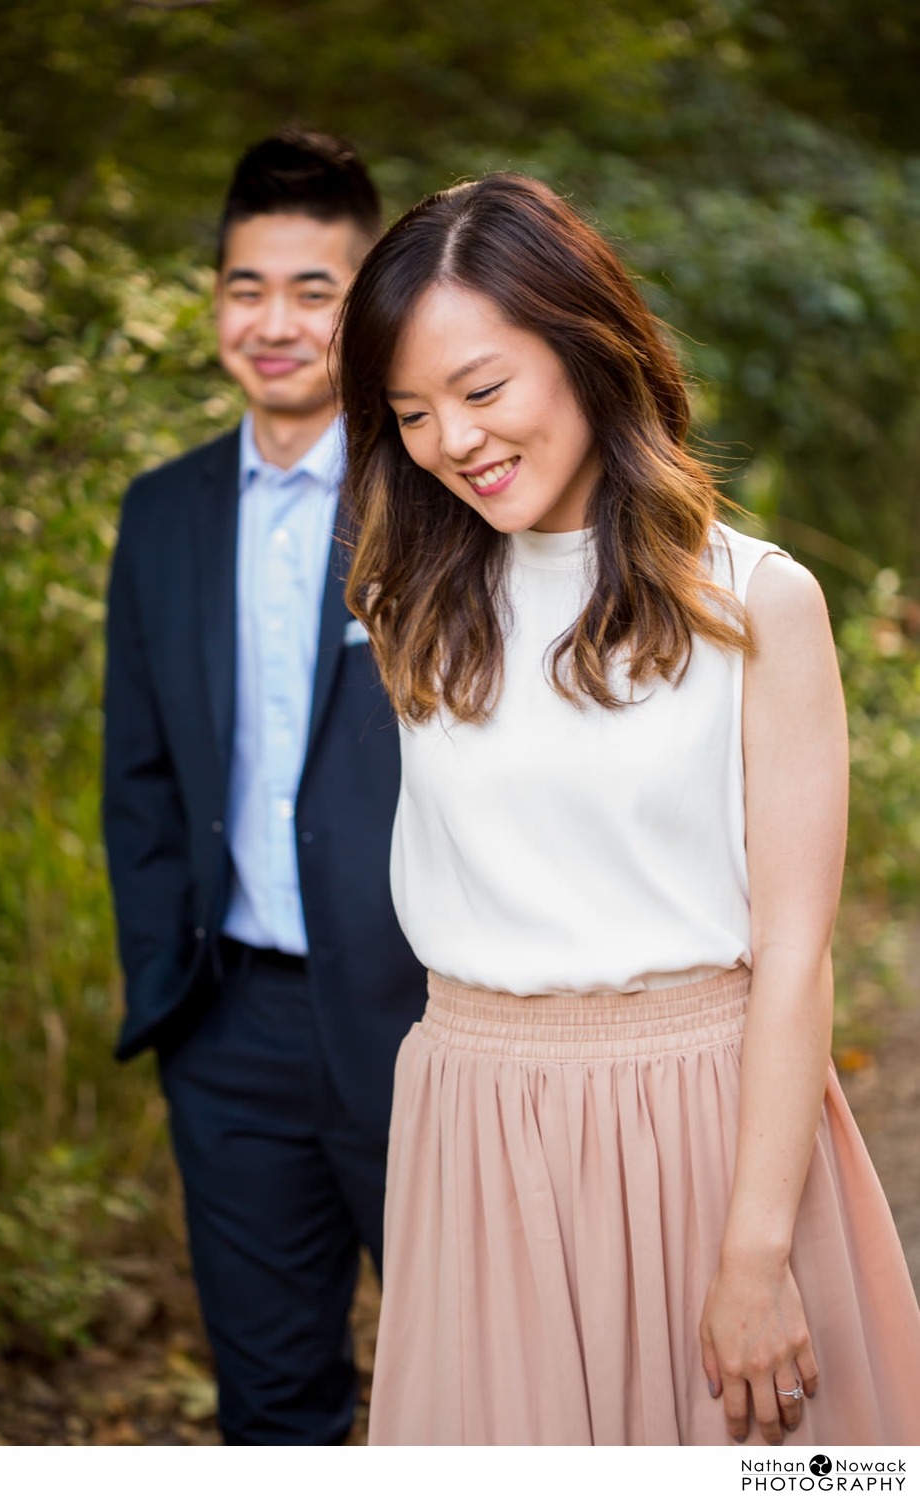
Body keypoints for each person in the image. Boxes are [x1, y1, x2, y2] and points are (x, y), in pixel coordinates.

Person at [336, 172, 920, 1445]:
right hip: (474, 1123)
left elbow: (795, 951)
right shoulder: (414, 606)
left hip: (702, 1125)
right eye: (411, 413)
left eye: (482, 390)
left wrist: (755, 1252)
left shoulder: (753, 598)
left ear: (586, 346)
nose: (453, 441)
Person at [103, 129, 425, 1445]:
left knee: (485, 1398)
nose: (275, 320)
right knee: (275, 1408)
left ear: (366, 312)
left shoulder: (441, 496)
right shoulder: (162, 511)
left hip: (424, 1026)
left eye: (315, 289)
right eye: (248, 285)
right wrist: (172, 999)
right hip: (227, 1027)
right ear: (218, 301)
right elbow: (140, 774)